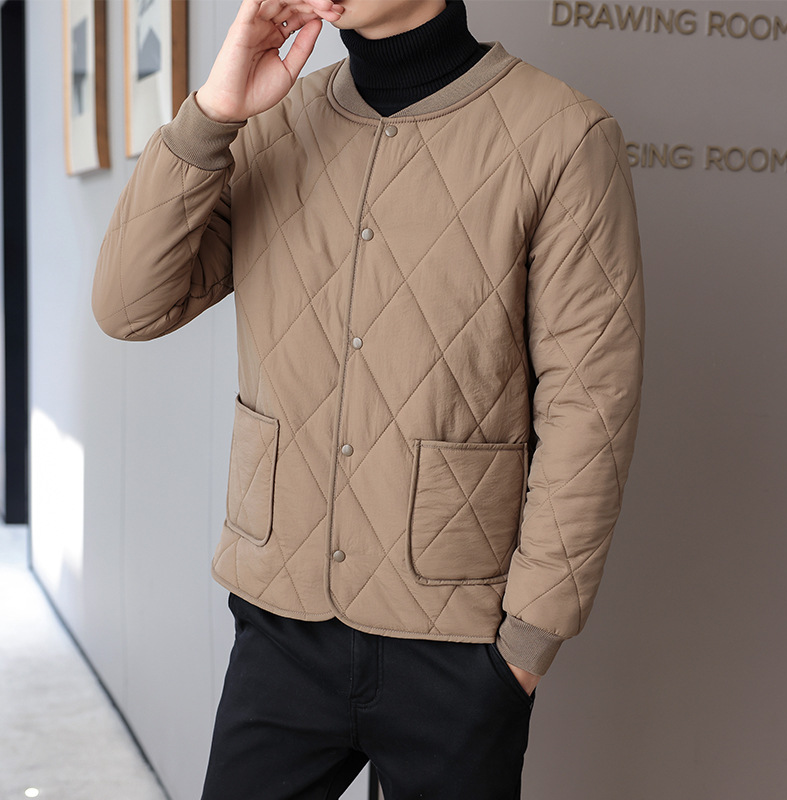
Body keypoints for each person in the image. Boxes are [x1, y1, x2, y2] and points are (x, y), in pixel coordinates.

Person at [92, 0, 645, 797]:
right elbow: (129, 306)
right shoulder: (273, 123)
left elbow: (590, 408)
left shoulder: (562, 135)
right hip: (281, 622)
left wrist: (526, 645)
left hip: (459, 643)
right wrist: (213, 113)